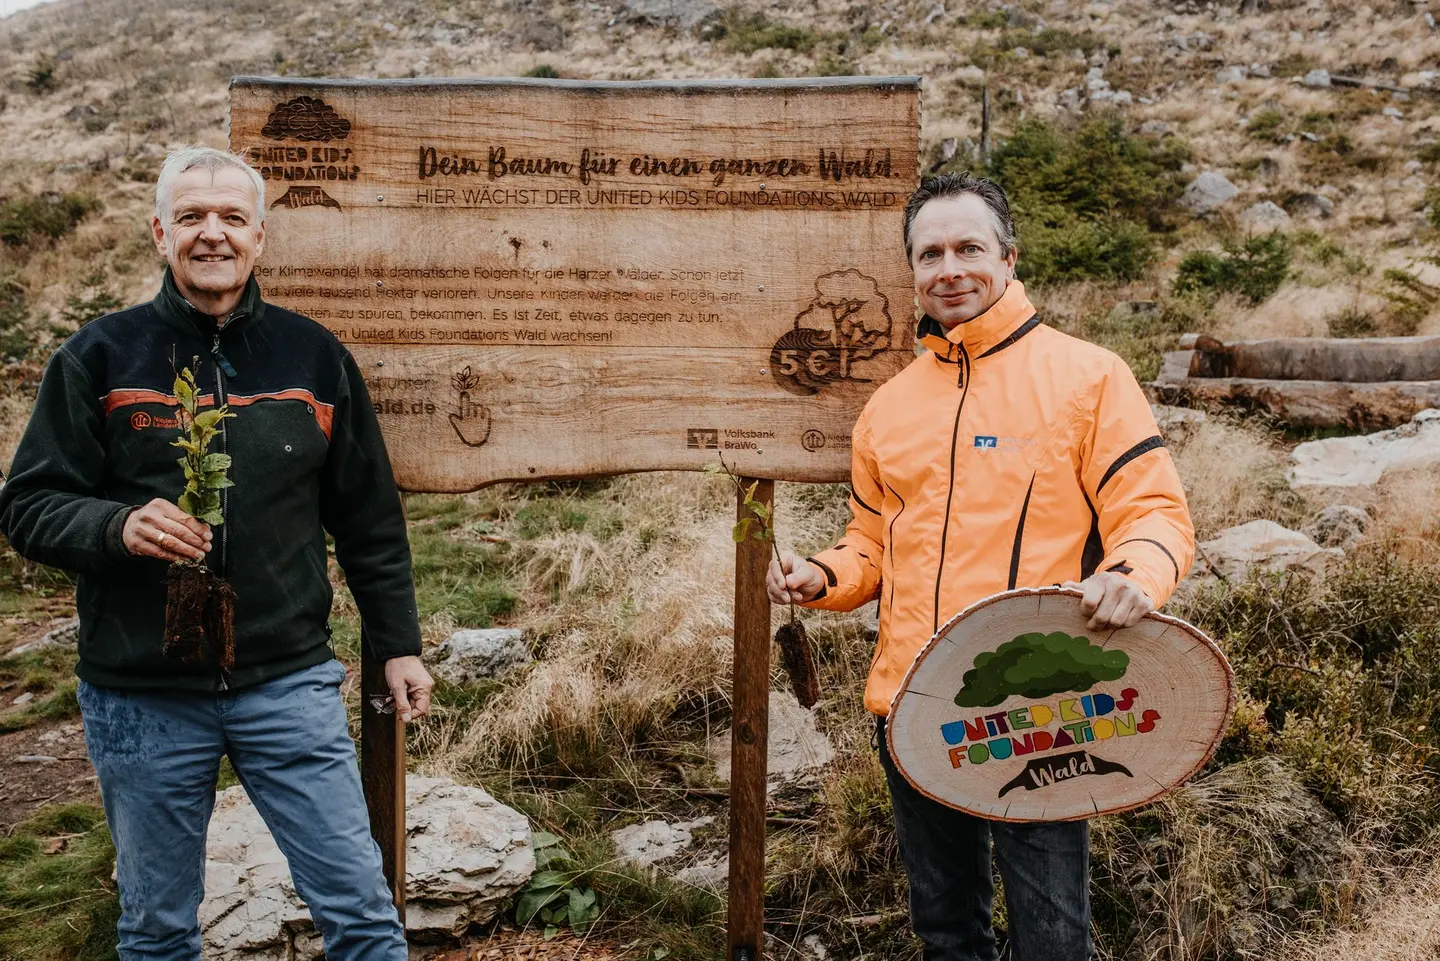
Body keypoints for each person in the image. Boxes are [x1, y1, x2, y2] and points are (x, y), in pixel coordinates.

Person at [0, 145, 431, 960]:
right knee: (157, 931)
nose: (213, 234)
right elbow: (25, 505)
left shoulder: (314, 357)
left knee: (365, 919)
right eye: (192, 216)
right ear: (160, 232)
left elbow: (368, 516)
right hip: (141, 697)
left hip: (289, 683)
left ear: (259, 237)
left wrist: (398, 643)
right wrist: (114, 527)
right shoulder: (97, 357)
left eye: (232, 217)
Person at [767, 173, 1195, 961]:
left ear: (1008, 257)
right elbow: (870, 543)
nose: (949, 268)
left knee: (1052, 935)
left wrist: (1135, 573)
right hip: (908, 703)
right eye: (930, 253)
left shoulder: (1089, 377)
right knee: (947, 929)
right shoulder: (888, 408)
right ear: (913, 272)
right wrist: (821, 577)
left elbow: (1154, 511)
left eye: (969, 247)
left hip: (1038, 704)